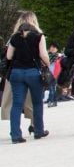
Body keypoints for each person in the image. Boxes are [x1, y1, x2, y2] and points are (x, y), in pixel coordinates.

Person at [5, 11, 50, 143]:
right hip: (33, 72)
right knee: (37, 102)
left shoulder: (14, 37)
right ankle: (38, 131)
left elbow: (8, 56)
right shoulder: (38, 36)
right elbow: (43, 55)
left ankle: (15, 135)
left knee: (17, 104)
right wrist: (48, 64)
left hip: (17, 72)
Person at [47, 42, 60, 107]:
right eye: (51, 47)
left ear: (56, 49)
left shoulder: (58, 56)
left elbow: (59, 66)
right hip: (49, 73)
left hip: (55, 73)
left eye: (54, 47)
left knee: (53, 88)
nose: (52, 48)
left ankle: (51, 101)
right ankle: (53, 101)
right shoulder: (47, 55)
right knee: (51, 87)